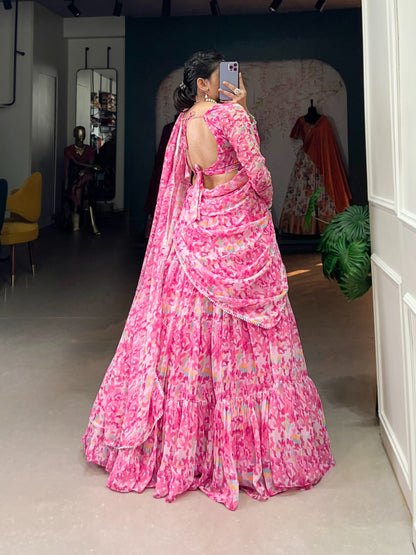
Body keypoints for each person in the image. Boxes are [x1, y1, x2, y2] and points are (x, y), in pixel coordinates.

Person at [82, 50, 335, 511]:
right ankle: (244, 451)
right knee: (246, 338)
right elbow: (261, 179)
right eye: (219, 77)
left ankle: (186, 446)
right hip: (234, 226)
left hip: (195, 229)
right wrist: (244, 113)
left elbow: (182, 183)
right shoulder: (231, 117)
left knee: (189, 335)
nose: (225, 83)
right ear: (203, 83)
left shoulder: (182, 124)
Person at [64, 126, 101, 235]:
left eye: (83, 135)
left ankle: (84, 220)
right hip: (74, 177)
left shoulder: (89, 149)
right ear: (74, 135)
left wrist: (85, 170)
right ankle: (74, 222)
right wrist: (66, 182)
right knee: (74, 188)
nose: (81, 137)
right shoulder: (69, 150)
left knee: (84, 185)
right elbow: (67, 168)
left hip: (86, 176)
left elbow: (90, 163)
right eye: (79, 135)